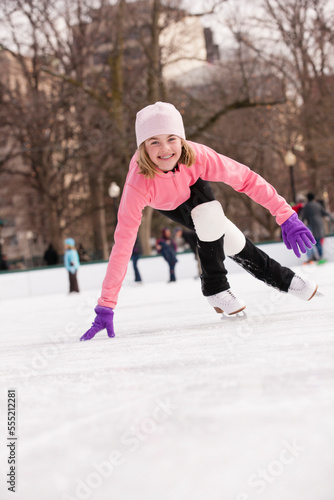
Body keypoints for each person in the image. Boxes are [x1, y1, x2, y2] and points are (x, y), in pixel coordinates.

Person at [80, 101, 318, 341]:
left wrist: (285, 215)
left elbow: (245, 178)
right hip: (170, 205)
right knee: (221, 228)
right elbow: (123, 243)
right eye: (154, 141)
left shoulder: (197, 156)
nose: (165, 149)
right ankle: (217, 287)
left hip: (195, 188)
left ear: (182, 140)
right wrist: (106, 305)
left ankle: (283, 281)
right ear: (143, 147)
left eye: (172, 138)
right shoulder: (138, 183)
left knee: (229, 236)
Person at [300, 192, 331, 264]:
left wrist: (300, 225)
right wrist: (331, 218)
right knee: (318, 242)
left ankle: (312, 257)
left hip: (312, 226)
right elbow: (325, 213)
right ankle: (320, 257)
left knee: (309, 241)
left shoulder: (307, 206)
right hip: (320, 225)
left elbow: (304, 216)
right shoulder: (318, 205)